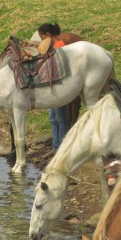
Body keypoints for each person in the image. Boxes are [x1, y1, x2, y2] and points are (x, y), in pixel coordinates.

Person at [36, 23, 85, 153]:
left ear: (47, 35)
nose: (42, 40)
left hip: (60, 87)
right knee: (53, 117)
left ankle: (61, 147)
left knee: (60, 118)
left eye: (42, 37)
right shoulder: (53, 46)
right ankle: (55, 145)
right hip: (53, 87)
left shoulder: (59, 46)